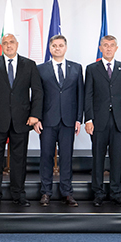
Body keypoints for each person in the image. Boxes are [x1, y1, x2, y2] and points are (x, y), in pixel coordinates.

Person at [0, 34, 43, 207]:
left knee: (19, 160)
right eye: (5, 43)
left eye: (12, 42)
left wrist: (35, 115)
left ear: (17, 44)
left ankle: (18, 194)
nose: (9, 45)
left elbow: (37, 91)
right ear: (1, 46)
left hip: (22, 120)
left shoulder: (29, 65)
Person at [84, 35, 121, 207]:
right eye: (105, 45)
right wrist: (88, 119)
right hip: (98, 121)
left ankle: (115, 193)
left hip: (120, 121)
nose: (108, 48)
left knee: (116, 159)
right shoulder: (92, 68)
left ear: (116, 48)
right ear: (100, 48)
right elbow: (88, 95)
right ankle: (98, 193)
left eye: (111, 45)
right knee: (98, 159)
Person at [35, 35, 83, 207]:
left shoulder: (76, 68)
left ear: (65, 47)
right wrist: (36, 118)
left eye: (60, 45)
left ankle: (67, 193)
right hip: (47, 121)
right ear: (50, 48)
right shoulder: (40, 69)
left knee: (66, 158)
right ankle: (46, 192)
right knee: (46, 157)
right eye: (54, 45)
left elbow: (80, 95)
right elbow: (37, 96)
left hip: (68, 121)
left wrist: (78, 119)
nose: (57, 48)